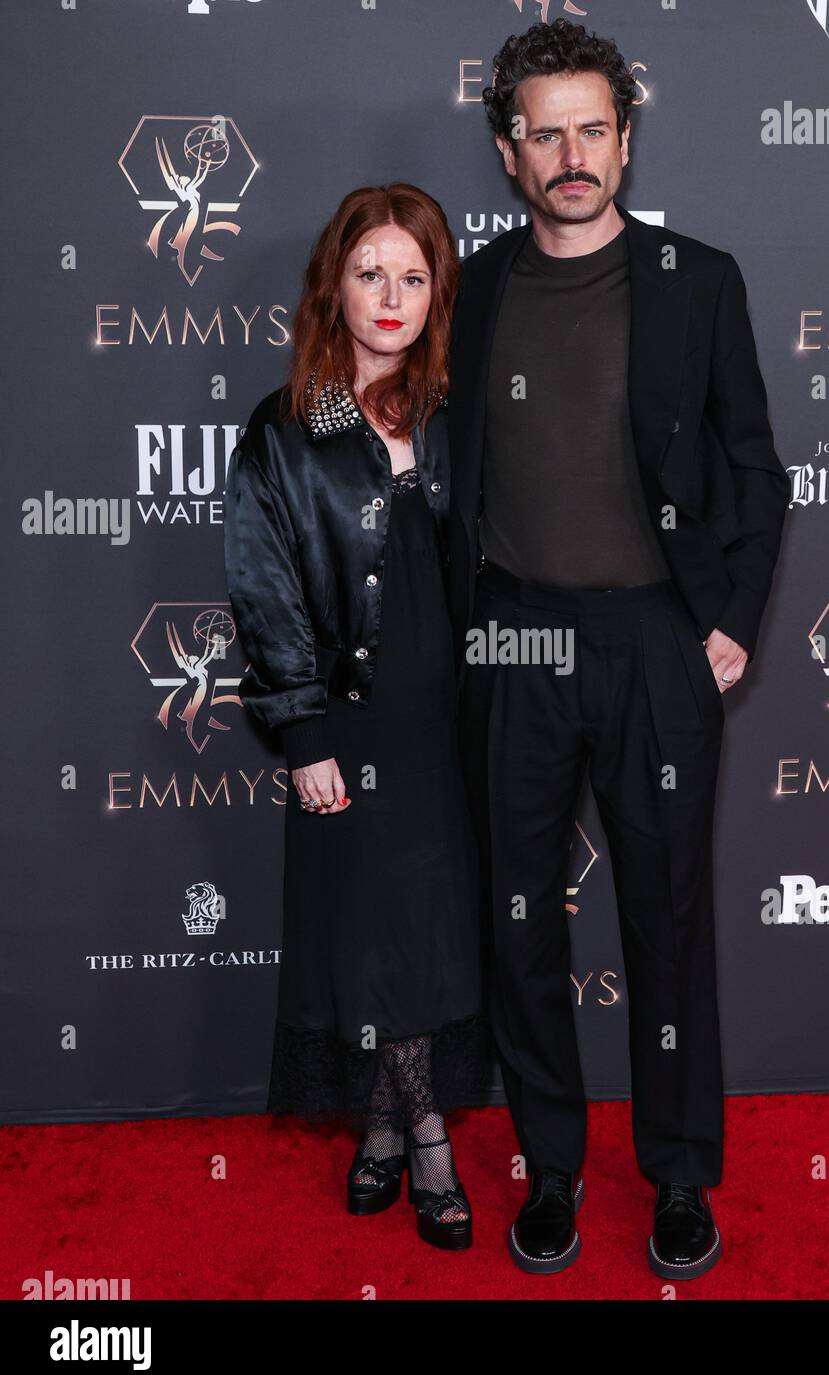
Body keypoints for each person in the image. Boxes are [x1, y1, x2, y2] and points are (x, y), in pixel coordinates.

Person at [448, 20, 791, 1277]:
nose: (571, 152)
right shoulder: (470, 291)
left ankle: (680, 1176)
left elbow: (755, 469)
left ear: (627, 139)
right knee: (521, 920)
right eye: (544, 132)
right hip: (514, 639)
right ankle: (549, 1169)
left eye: (592, 127)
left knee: (665, 918)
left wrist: (728, 623)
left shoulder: (698, 280)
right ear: (507, 152)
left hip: (656, 639)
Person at [223, 183, 491, 1252]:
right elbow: (264, 585)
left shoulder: (460, 408)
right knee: (368, 933)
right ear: (332, 284)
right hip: (348, 720)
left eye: (414, 276)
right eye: (370, 273)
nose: (391, 297)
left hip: (452, 723)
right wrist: (302, 731)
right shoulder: (285, 429)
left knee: (421, 935)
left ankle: (380, 1128)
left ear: (439, 292)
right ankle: (426, 1139)